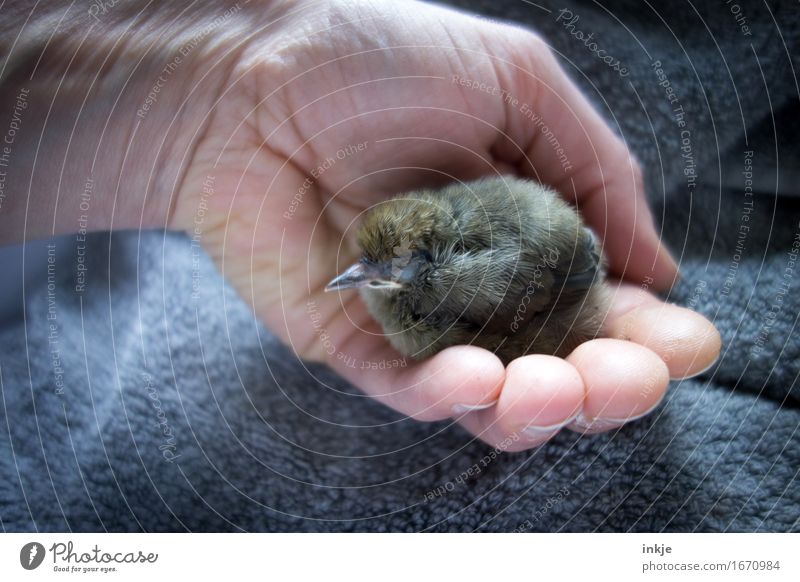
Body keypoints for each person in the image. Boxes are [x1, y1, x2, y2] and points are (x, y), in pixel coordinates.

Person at [0, 0, 720, 452]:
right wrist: (221, 84)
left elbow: (565, 263)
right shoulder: (413, 257)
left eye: (383, 272)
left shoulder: (453, 283)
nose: (358, 280)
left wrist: (224, 80)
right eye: (370, 268)